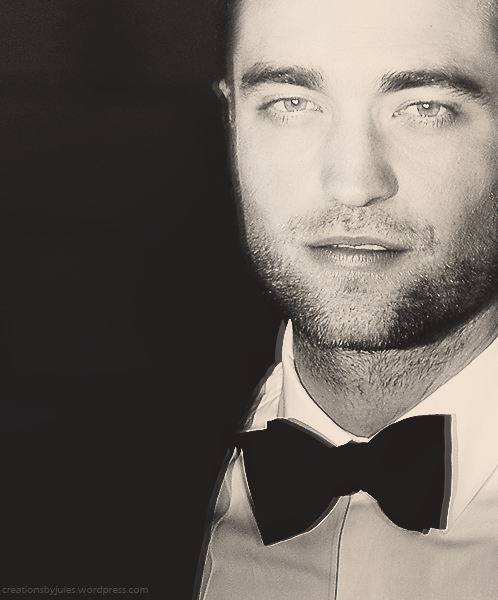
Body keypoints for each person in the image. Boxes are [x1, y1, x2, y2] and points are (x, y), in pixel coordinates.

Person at [194, 0, 498, 597]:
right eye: (292, 104)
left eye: (426, 108)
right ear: (232, 121)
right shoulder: (74, 491)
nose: (353, 185)